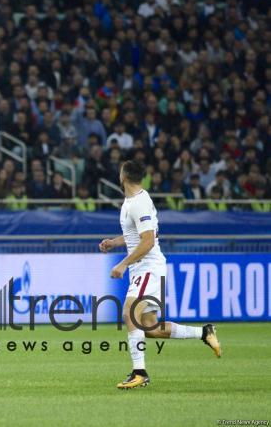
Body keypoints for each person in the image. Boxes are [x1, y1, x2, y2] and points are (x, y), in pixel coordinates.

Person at [98, 161, 221, 390]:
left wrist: (123, 264)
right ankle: (204, 332)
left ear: (123, 177)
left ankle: (139, 373)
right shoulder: (135, 200)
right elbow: (138, 234)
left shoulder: (138, 203)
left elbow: (148, 241)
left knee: (129, 312)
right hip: (144, 267)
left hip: (147, 267)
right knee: (150, 328)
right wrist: (115, 242)